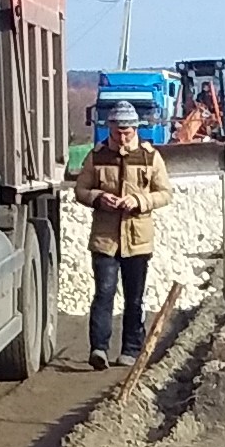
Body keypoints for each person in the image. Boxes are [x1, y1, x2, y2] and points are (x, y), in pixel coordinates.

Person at [75, 100, 171, 368]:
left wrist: (139, 202)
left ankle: (131, 349)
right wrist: (98, 197)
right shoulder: (96, 156)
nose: (122, 136)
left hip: (137, 240)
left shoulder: (151, 157)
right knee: (104, 293)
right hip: (105, 240)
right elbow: (80, 190)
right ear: (110, 129)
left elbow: (164, 193)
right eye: (117, 131)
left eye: (127, 131)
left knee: (134, 297)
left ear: (135, 129)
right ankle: (99, 349)